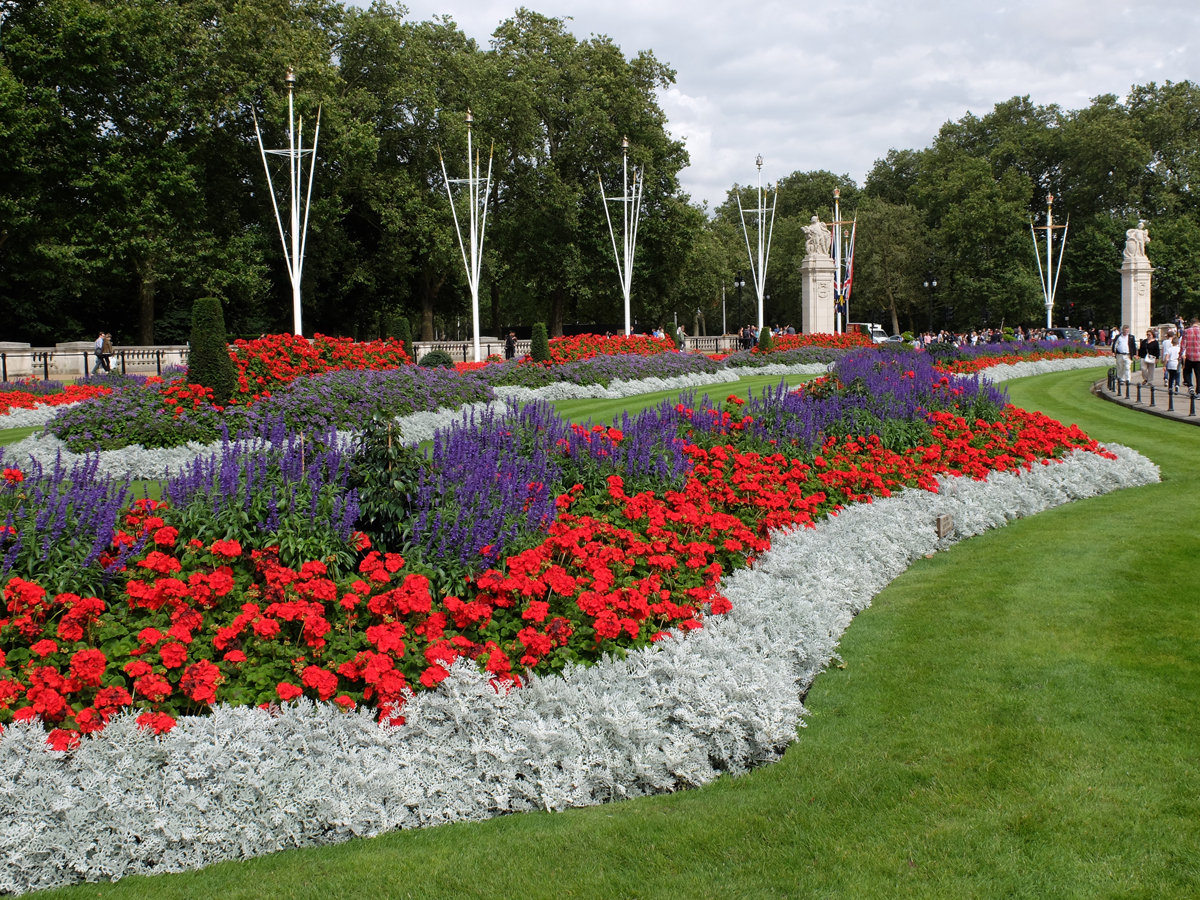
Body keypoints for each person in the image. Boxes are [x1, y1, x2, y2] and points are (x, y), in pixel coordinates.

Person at [1182, 317, 1200, 393]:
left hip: (1189, 355)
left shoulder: (1186, 331)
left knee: (1187, 371)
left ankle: (1190, 386)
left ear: (1191, 324)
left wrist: (1181, 355)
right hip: (1199, 356)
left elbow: (1183, 344)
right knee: (1198, 374)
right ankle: (1199, 392)